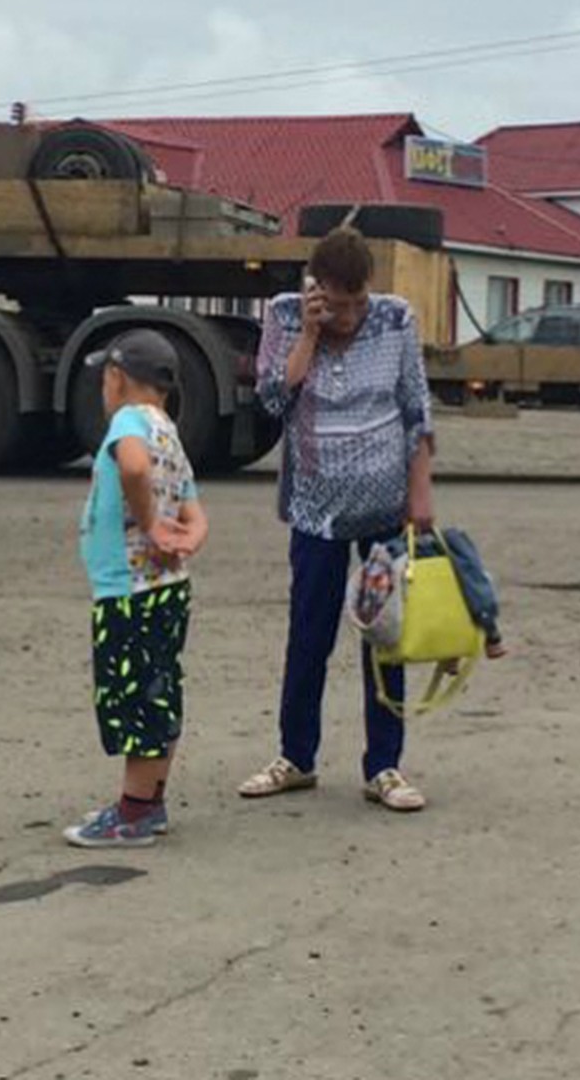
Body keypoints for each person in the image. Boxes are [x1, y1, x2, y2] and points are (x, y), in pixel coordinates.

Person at [239, 226, 436, 813]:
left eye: (356, 303)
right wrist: (310, 333)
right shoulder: (284, 315)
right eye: (337, 303)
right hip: (315, 509)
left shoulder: (396, 319)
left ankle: (385, 766)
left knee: (386, 636)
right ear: (315, 288)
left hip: (384, 507)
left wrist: (419, 493)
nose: (349, 316)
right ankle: (296, 757)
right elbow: (273, 399)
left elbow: (415, 407)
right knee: (309, 635)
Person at [63, 329, 209, 847]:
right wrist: (185, 534)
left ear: (116, 378)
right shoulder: (168, 429)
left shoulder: (128, 421)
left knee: (132, 699)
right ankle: (152, 800)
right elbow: (194, 509)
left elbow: (131, 466)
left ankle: (134, 812)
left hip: (129, 590)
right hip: (168, 587)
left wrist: (148, 523)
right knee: (159, 689)